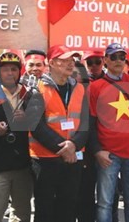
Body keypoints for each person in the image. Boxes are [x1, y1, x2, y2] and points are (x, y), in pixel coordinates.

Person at [88, 43, 129, 222]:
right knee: (105, 202)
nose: (118, 61)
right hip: (108, 154)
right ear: (105, 60)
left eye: (122, 57)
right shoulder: (95, 87)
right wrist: (97, 150)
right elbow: (90, 123)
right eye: (113, 57)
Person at [30, 45, 89, 222]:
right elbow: (36, 126)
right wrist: (64, 148)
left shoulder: (79, 88)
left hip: (74, 158)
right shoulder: (37, 89)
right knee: (45, 208)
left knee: (68, 206)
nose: (71, 64)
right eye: (65, 60)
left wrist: (73, 145)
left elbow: (86, 123)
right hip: (46, 159)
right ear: (52, 63)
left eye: (73, 60)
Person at [0, 52, 40, 222]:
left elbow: (40, 125)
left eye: (14, 69)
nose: (10, 73)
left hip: (23, 164)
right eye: (5, 70)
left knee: (22, 213)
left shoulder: (29, 94)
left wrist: (26, 119)